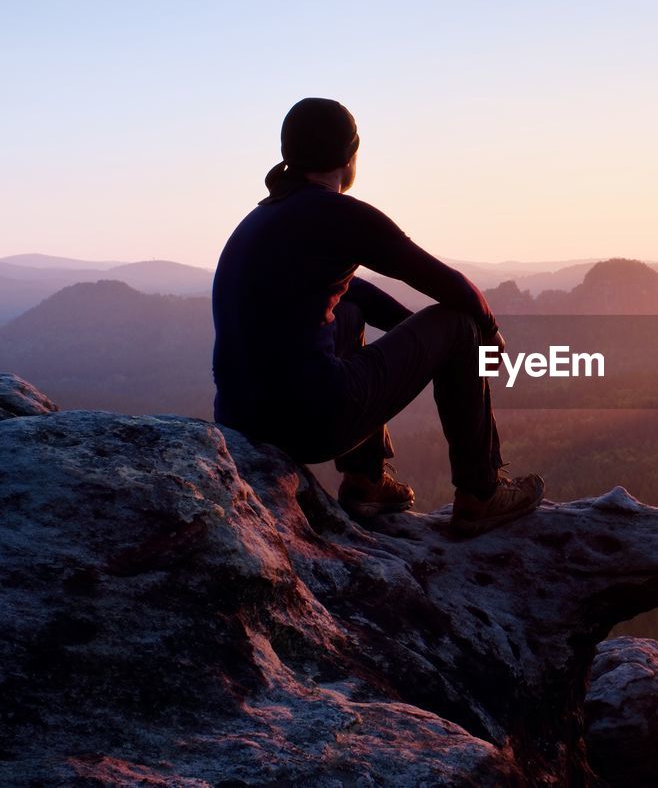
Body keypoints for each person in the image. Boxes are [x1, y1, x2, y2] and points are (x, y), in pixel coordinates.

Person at [211, 97, 543, 535]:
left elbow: (355, 293)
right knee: (461, 324)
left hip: (243, 422)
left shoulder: (264, 215)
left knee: (347, 311)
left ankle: (365, 482)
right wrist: (486, 332)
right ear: (351, 157)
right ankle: (481, 494)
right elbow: (450, 285)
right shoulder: (340, 213)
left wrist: (422, 342)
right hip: (310, 422)